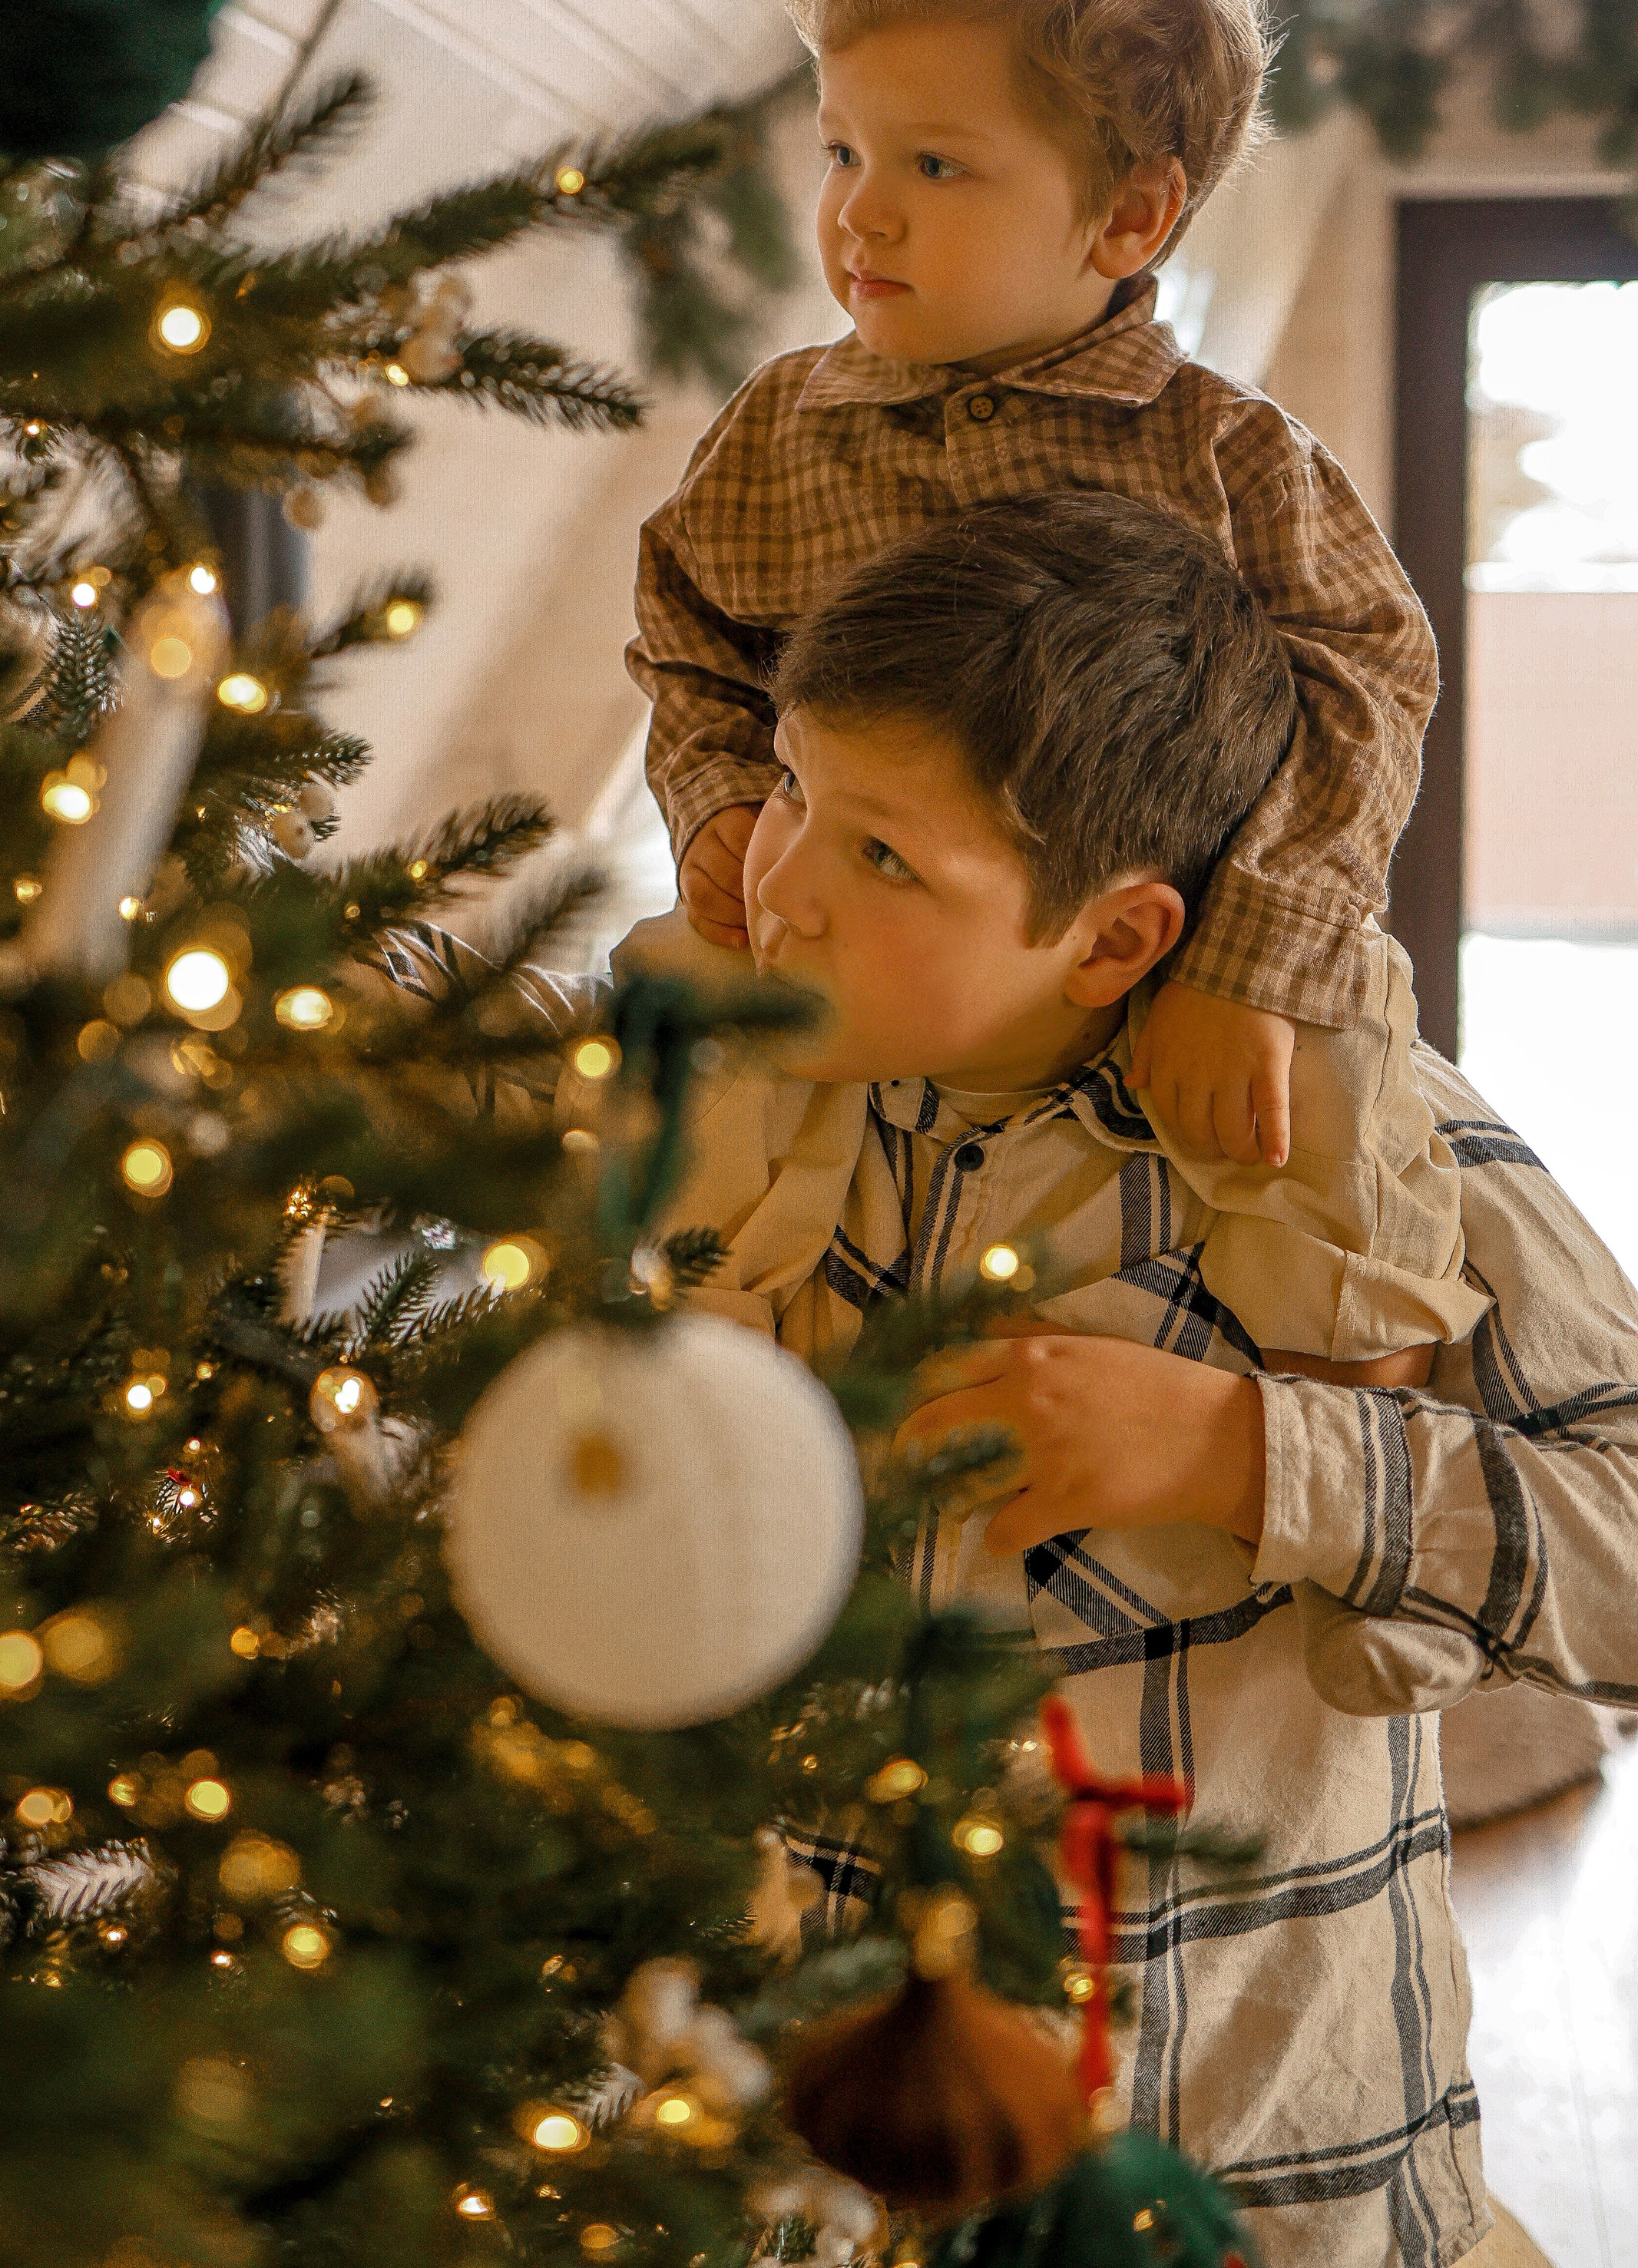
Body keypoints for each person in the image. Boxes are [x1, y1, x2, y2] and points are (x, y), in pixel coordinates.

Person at [594, 493, 1630, 2268]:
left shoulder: (1368, 1147)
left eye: (884, 858)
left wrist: (1246, 1454)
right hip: (809, 2162)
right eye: (790, 794)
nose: (778, 890)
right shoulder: (738, 1115)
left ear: (1112, 938)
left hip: (1244, 2172)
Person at [627, 0, 1476, 1385]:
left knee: (1340, 1047)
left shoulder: (1220, 455)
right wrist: (715, 803)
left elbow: (1368, 674)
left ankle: (1348, 1388)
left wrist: (1246, 958)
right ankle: (703, 1355)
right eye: (841, 152)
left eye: (931, 165)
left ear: (1126, 219)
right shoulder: (777, 432)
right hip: (879, 936)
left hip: (1148, 945)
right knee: (667, 1010)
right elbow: (687, 634)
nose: (858, 216)